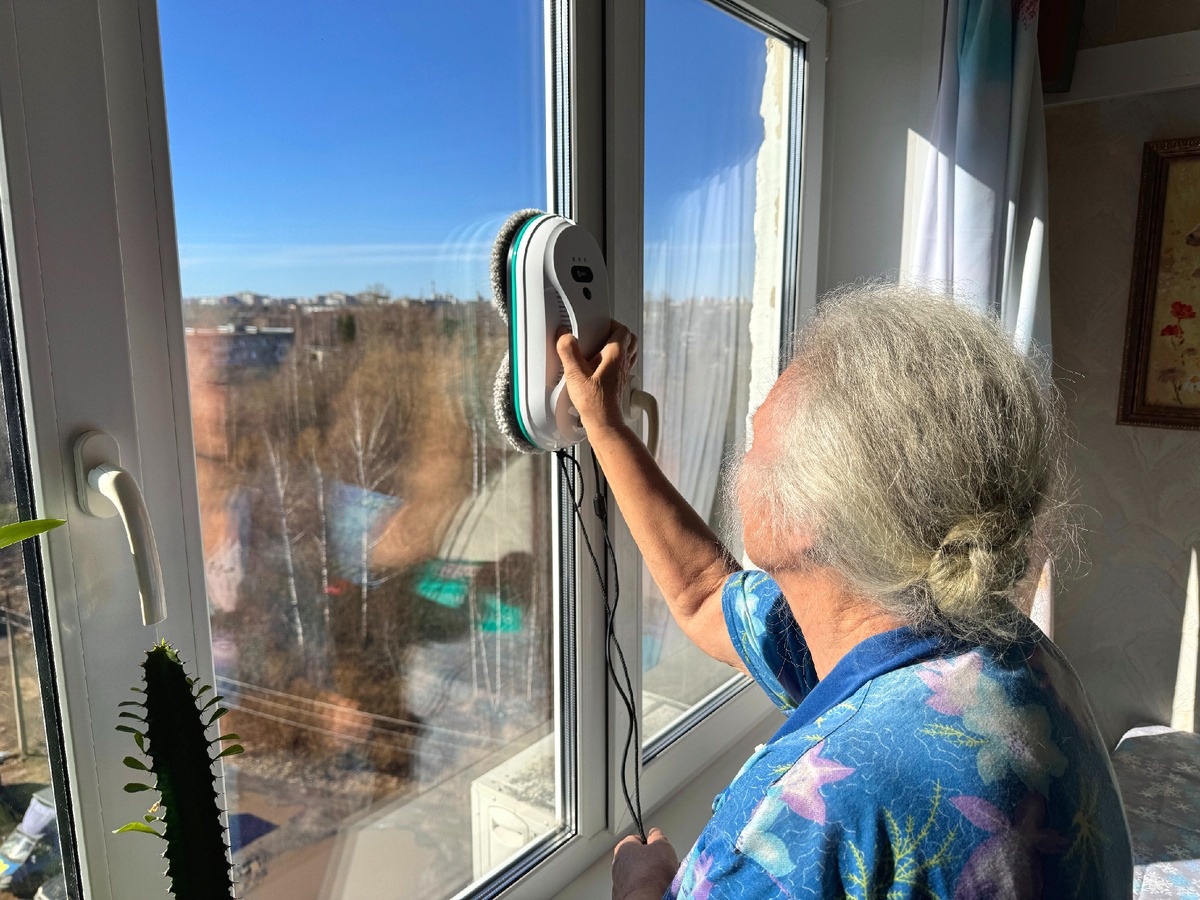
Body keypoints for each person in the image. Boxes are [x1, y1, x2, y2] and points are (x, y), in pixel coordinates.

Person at [555, 285, 1132, 899]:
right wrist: (607, 427)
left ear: (806, 520)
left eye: (755, 441)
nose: (739, 464)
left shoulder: (804, 818)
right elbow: (704, 597)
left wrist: (641, 886)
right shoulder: (1005, 650)